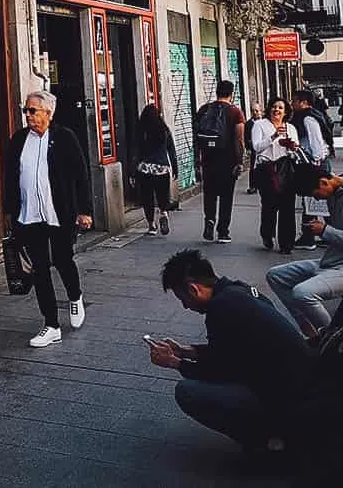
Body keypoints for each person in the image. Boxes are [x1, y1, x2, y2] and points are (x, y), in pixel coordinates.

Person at [149, 250, 313, 454]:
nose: (184, 306)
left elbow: (219, 370)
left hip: (283, 396)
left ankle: (269, 440)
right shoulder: (239, 290)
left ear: (193, 289)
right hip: (301, 381)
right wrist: (184, 351)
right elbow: (228, 352)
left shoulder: (221, 308)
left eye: (182, 298)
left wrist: (174, 363)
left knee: (187, 393)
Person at [2, 90, 93, 348]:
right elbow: (10, 176)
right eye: (26, 111)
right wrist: (10, 211)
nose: (28, 115)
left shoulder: (64, 138)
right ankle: (51, 325)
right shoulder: (18, 140)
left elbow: (81, 175)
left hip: (59, 213)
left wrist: (84, 210)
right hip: (29, 215)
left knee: (64, 259)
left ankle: (75, 297)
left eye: (33, 111)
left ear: (48, 113)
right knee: (40, 268)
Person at [266, 165, 343, 337]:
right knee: (275, 275)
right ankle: (311, 331)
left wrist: (325, 231)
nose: (318, 199)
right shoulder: (339, 188)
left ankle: (334, 336)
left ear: (324, 182)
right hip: (333, 260)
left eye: (315, 194)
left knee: (302, 293)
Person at [193, 81, 245, 243]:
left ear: (216, 92)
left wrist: (197, 161)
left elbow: (197, 138)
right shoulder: (235, 112)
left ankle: (209, 220)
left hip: (208, 160)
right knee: (226, 196)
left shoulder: (203, 110)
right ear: (232, 93)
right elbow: (239, 139)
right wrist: (239, 161)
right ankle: (223, 231)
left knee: (209, 194)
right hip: (227, 161)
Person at [251, 98, 299, 254]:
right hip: (267, 170)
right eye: (274, 107)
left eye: (280, 108)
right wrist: (273, 136)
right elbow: (256, 147)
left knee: (288, 208)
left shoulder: (291, 128)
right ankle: (267, 234)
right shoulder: (259, 125)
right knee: (269, 206)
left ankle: (287, 243)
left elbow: (296, 150)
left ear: (285, 112)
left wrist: (292, 146)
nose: (276, 110)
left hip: (286, 170)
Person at [290, 89, 333, 249]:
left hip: (314, 164)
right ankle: (322, 234)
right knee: (316, 201)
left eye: (294, 101)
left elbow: (316, 143)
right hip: (316, 163)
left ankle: (309, 237)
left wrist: (314, 163)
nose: (292, 104)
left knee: (312, 200)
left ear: (303, 102)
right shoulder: (311, 115)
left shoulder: (308, 118)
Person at [131, 104, 178, 235]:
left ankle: (151, 225)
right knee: (163, 195)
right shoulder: (164, 130)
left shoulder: (140, 131)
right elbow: (171, 151)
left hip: (145, 169)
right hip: (161, 169)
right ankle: (163, 213)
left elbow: (135, 152)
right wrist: (174, 168)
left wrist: (132, 172)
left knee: (147, 198)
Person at [243, 105, 264, 195]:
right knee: (253, 167)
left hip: (264, 147)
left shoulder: (265, 122)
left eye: (257, 110)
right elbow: (246, 137)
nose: (255, 113)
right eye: (253, 111)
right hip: (254, 149)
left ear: (261, 111)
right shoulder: (249, 124)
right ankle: (253, 186)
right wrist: (248, 147)